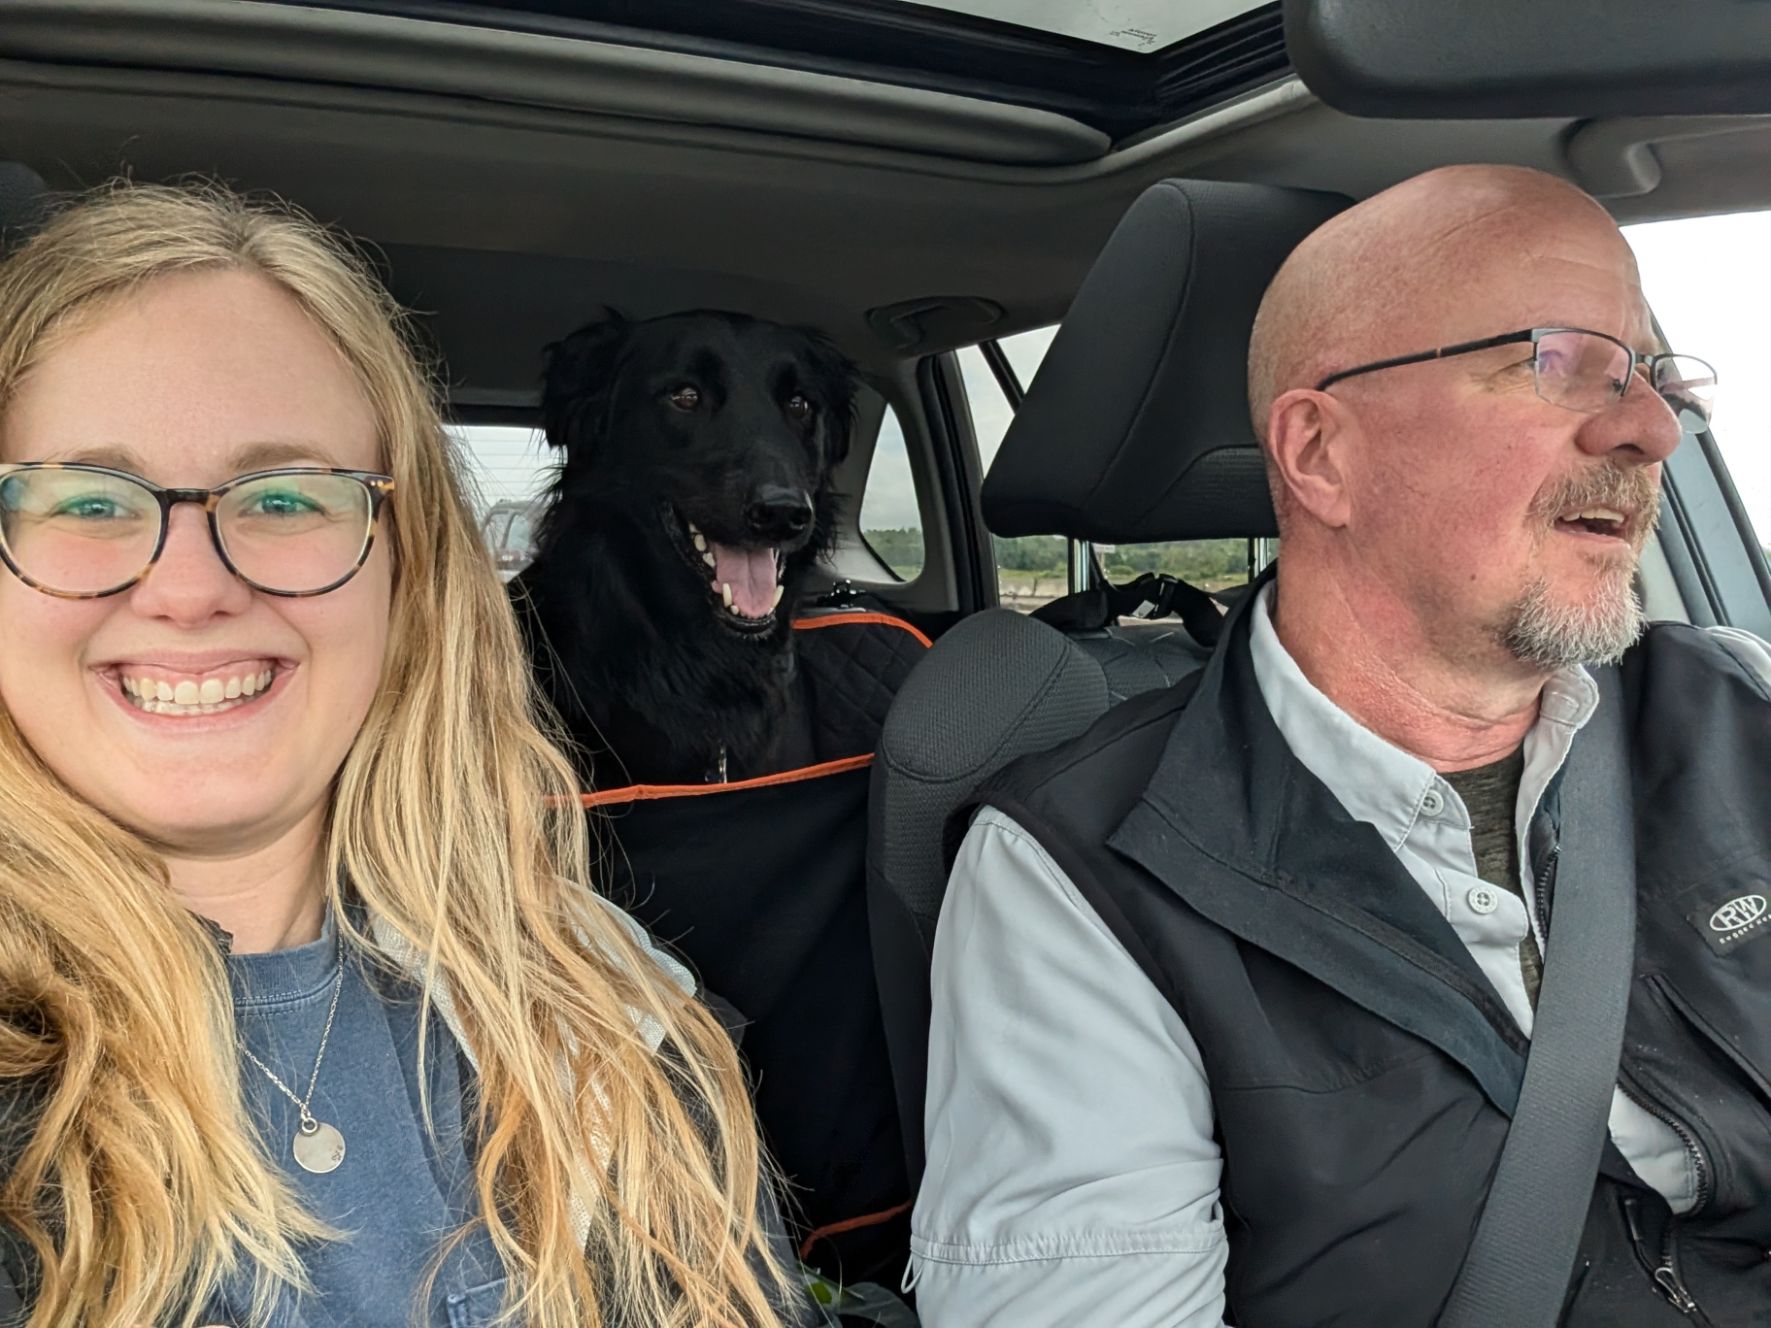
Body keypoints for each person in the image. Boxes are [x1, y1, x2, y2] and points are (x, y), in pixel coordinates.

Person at [911, 164, 1771, 1325]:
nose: (1652, 427)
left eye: (1654, 375)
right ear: (1321, 453)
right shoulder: (1078, 873)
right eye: (1559, 360)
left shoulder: (1734, 699)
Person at [0, 181, 812, 1328]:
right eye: (87, 501)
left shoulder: (617, 1008)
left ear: (413, 567)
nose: (188, 587)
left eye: (288, 496)